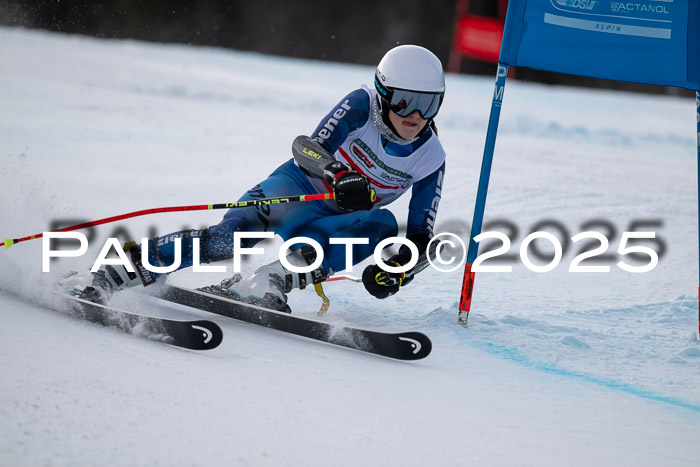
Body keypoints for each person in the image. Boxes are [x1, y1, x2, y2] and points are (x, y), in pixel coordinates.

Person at [60, 44, 447, 312]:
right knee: (227, 240)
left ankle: (271, 281)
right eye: (403, 100)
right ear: (382, 94)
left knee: (380, 224)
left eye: (428, 104)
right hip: (296, 191)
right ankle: (112, 272)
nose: (415, 115)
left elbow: (421, 239)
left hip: (337, 222)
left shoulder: (431, 158)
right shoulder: (361, 104)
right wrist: (337, 173)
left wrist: (398, 270)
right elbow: (305, 147)